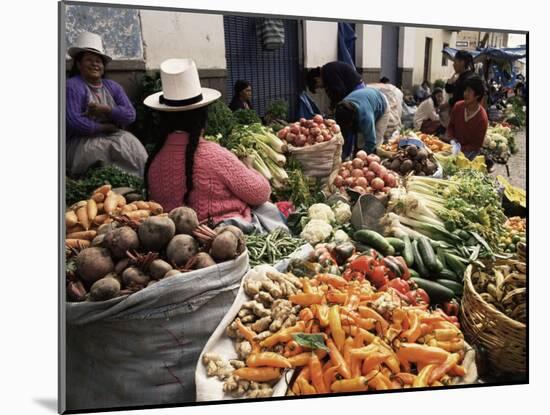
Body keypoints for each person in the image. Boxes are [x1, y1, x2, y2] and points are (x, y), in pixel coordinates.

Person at [144, 58, 282, 232]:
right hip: (224, 235)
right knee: (269, 210)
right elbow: (260, 193)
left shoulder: (154, 159)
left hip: (173, 240)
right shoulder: (214, 155)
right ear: (202, 116)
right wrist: (249, 167)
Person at [66, 31, 148, 178]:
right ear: (78, 64)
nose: (95, 64)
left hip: (113, 133)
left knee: (133, 147)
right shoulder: (72, 86)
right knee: (101, 151)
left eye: (98, 61)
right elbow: (74, 121)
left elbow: (130, 115)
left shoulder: (113, 86)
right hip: (82, 140)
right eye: (89, 60)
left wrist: (107, 110)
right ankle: (104, 188)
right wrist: (103, 127)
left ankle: (139, 183)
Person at [335, 87, 390, 157]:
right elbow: (343, 135)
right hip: (367, 99)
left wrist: (360, 159)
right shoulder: (341, 109)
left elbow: (371, 142)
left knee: (375, 145)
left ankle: (376, 162)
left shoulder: (365, 117)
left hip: (381, 104)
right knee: (360, 144)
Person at [446, 76, 489, 162]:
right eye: (465, 90)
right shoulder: (458, 106)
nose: (465, 94)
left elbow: (475, 145)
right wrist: (452, 140)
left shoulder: (482, 118)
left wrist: (459, 149)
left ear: (477, 95)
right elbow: (451, 126)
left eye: (469, 91)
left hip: (469, 152)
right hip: (453, 146)